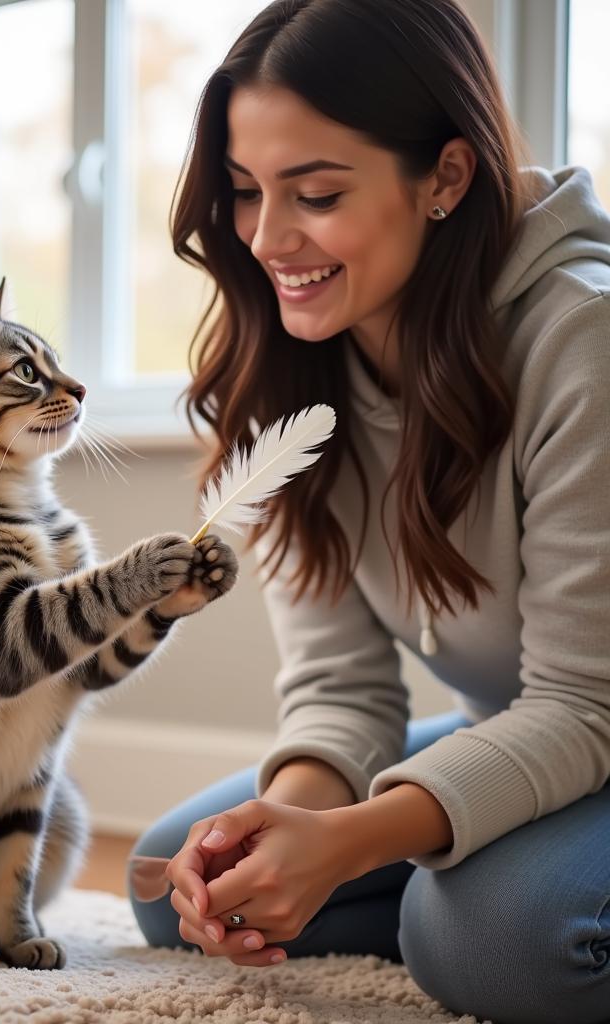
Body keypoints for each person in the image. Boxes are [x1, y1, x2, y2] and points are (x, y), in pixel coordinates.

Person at [126, 2, 610, 1022]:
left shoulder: (583, 339)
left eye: (316, 193)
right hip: (528, 732)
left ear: (445, 176)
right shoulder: (298, 369)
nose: (266, 237)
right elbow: (342, 693)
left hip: (592, 723)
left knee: (480, 940)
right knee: (181, 883)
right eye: (246, 191)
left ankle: (490, 908)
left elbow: (582, 707)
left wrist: (355, 842)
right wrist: (292, 825)